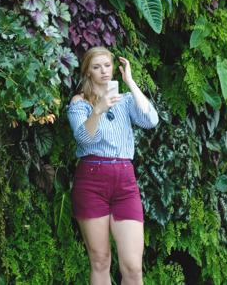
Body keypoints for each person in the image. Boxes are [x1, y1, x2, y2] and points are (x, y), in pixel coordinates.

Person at [67, 46, 159, 285]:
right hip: (91, 180)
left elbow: (151, 120)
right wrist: (98, 109)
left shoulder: (126, 100)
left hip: (124, 181)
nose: (104, 71)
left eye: (107, 65)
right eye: (96, 67)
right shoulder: (80, 103)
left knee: (133, 267)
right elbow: (85, 138)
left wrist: (130, 82)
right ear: (88, 72)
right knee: (100, 261)